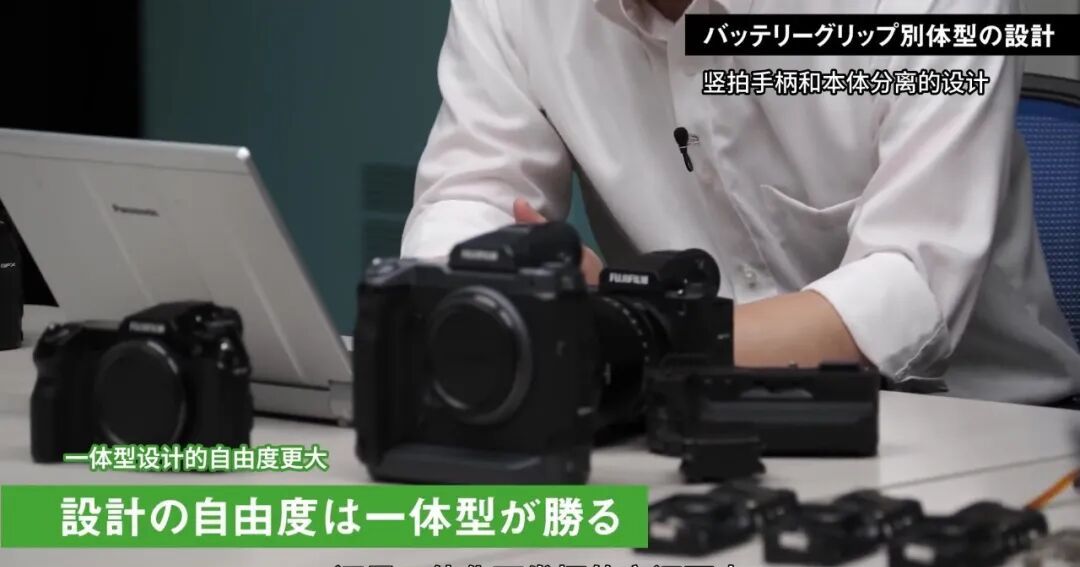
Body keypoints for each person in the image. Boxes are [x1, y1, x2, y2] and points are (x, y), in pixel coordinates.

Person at [400, 0, 1080, 405]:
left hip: (970, 430)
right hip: (679, 421)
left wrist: (629, 332)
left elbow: (907, 291)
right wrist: (489, 280)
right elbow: (468, 195)